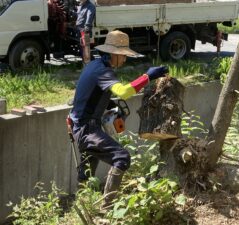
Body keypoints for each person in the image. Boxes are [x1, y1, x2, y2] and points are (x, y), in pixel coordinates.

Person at [69, 30, 168, 208]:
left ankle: (82, 207)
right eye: (122, 56)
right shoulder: (103, 71)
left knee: (87, 173)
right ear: (112, 53)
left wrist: (109, 108)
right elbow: (124, 92)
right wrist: (148, 76)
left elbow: (87, 95)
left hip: (80, 125)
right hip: (87, 129)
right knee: (122, 157)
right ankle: (107, 208)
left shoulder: (93, 66)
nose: (124, 60)